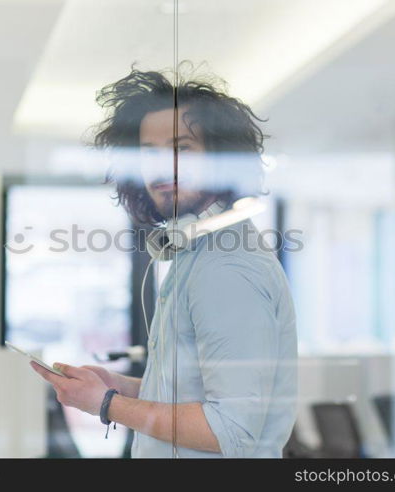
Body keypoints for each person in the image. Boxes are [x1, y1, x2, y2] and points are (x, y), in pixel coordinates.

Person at [31, 66, 297, 458]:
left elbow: (230, 433)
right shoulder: (196, 253)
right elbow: (199, 398)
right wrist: (118, 388)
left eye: (181, 149)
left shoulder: (226, 267)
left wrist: (105, 405)